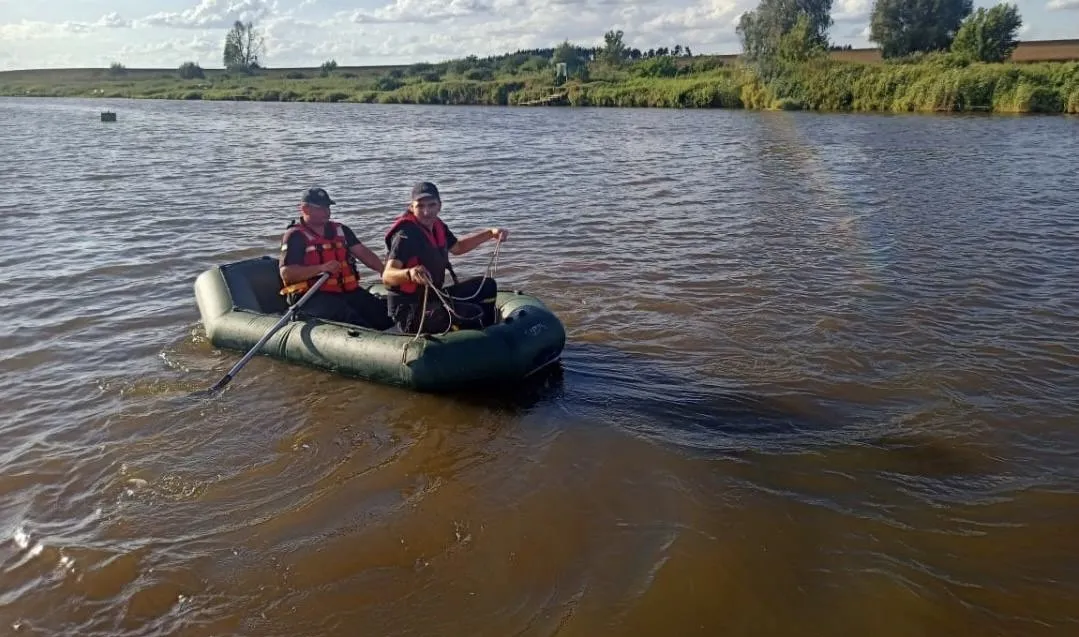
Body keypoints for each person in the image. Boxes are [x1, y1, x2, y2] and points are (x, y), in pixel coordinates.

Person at [381, 181, 508, 334]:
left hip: (434, 297)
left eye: (431, 205)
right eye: (420, 206)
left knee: (488, 285)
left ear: (439, 206)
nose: (426, 212)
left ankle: (491, 333)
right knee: (471, 313)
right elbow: (387, 276)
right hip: (410, 310)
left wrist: (490, 233)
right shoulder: (405, 235)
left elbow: (458, 247)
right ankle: (477, 341)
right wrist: (409, 273)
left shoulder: (437, 226)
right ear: (411, 207)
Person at [278, 187, 393, 330]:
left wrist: (384, 270)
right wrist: (321, 268)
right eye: (321, 208)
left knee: (384, 315)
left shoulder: (341, 230)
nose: (327, 212)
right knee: (352, 321)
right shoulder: (295, 236)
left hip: (346, 291)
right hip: (312, 296)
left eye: (328, 207)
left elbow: (364, 253)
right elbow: (287, 273)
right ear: (305, 209)